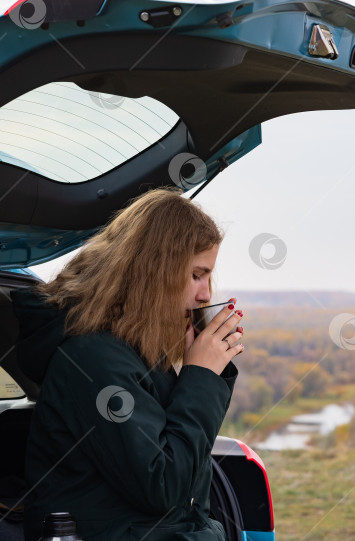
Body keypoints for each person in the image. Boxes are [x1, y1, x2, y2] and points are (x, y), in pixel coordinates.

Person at [10, 186, 244, 540]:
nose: (206, 294)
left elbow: (186, 493)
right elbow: (163, 486)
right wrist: (201, 377)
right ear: (155, 271)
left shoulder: (133, 353)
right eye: (197, 274)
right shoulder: (93, 360)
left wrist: (194, 374)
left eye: (208, 276)